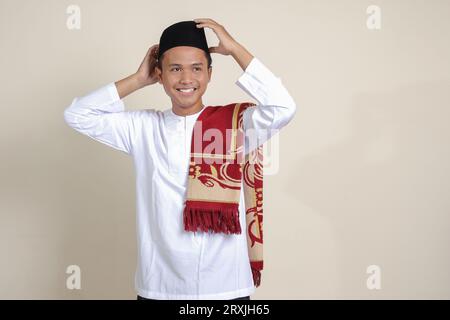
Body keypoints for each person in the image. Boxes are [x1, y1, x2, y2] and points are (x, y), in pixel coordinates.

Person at [63, 18, 296, 300]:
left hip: (227, 285)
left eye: (196, 68)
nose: (186, 79)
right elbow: (77, 114)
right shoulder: (143, 128)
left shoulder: (239, 125)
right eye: (175, 69)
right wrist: (137, 80)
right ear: (159, 74)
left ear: (209, 74)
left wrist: (235, 49)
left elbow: (284, 107)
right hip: (160, 285)